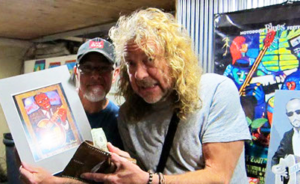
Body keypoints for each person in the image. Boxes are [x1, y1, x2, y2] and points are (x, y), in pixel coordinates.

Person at [79, 8, 251, 184]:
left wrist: (149, 180)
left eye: (149, 59)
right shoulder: (128, 115)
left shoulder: (216, 92)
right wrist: (127, 167)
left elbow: (218, 177)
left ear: (174, 59)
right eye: (131, 63)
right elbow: (139, 174)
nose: (139, 75)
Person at [19, 37, 123, 183]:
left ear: (115, 74)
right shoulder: (60, 109)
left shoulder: (121, 121)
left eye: (104, 68)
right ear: (76, 72)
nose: (95, 76)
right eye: (87, 68)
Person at [271, 98, 300, 180]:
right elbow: (277, 157)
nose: (295, 117)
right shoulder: (288, 136)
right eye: (290, 114)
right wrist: (275, 168)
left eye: (298, 112)